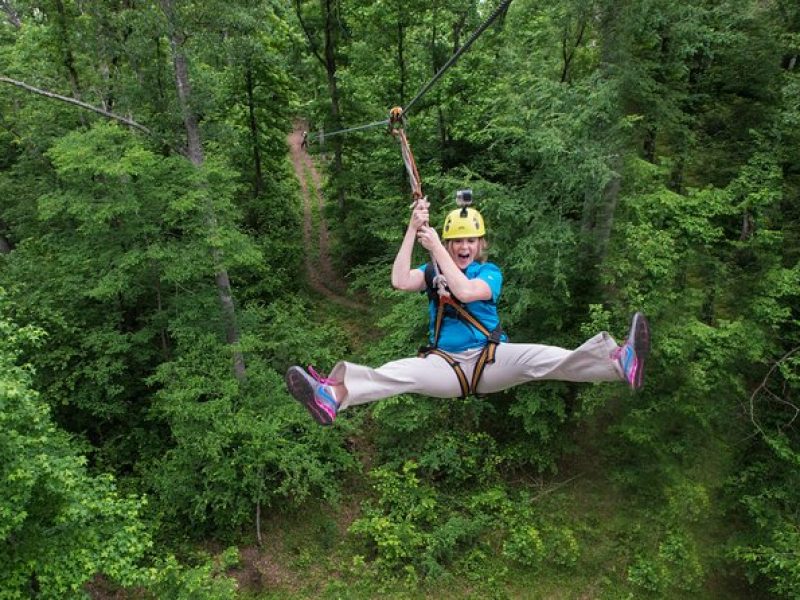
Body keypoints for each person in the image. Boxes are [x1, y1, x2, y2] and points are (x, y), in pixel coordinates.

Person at [285, 198, 650, 425]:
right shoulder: (432, 271)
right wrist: (412, 231)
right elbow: (398, 280)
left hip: (491, 360)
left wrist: (436, 250)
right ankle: (331, 397)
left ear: (480, 244)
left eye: (470, 241)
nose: (463, 246)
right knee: (395, 373)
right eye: (456, 240)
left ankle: (620, 363)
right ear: (450, 242)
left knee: (545, 359)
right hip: (444, 366)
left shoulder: (490, 274)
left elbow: (463, 290)